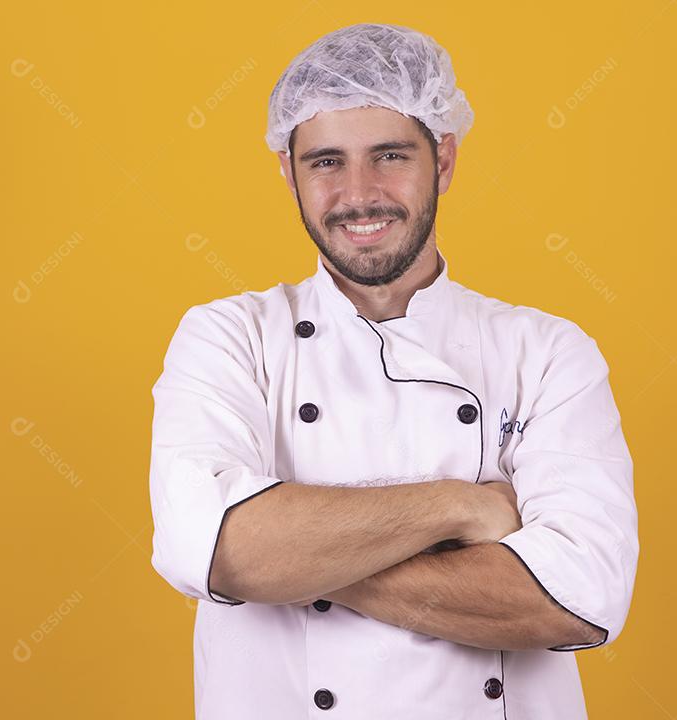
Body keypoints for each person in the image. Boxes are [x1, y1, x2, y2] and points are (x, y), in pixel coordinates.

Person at [148, 22, 638, 719]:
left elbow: (577, 601)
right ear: (288, 171)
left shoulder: (548, 352)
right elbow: (217, 552)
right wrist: (462, 506)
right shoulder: (229, 337)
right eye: (325, 162)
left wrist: (296, 561)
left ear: (442, 159)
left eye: (388, 155)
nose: (359, 193)